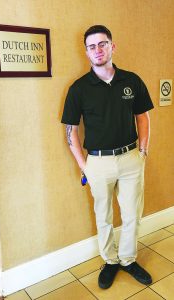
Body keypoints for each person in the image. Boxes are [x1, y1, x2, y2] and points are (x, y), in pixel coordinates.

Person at [61, 25, 154, 289]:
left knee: (132, 214)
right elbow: (71, 132)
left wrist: (144, 151)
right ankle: (110, 261)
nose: (97, 50)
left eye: (102, 44)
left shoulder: (132, 80)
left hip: (130, 158)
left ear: (112, 46)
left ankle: (128, 259)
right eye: (92, 46)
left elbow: (143, 117)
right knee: (103, 216)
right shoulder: (78, 89)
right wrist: (84, 166)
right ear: (86, 52)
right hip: (98, 163)